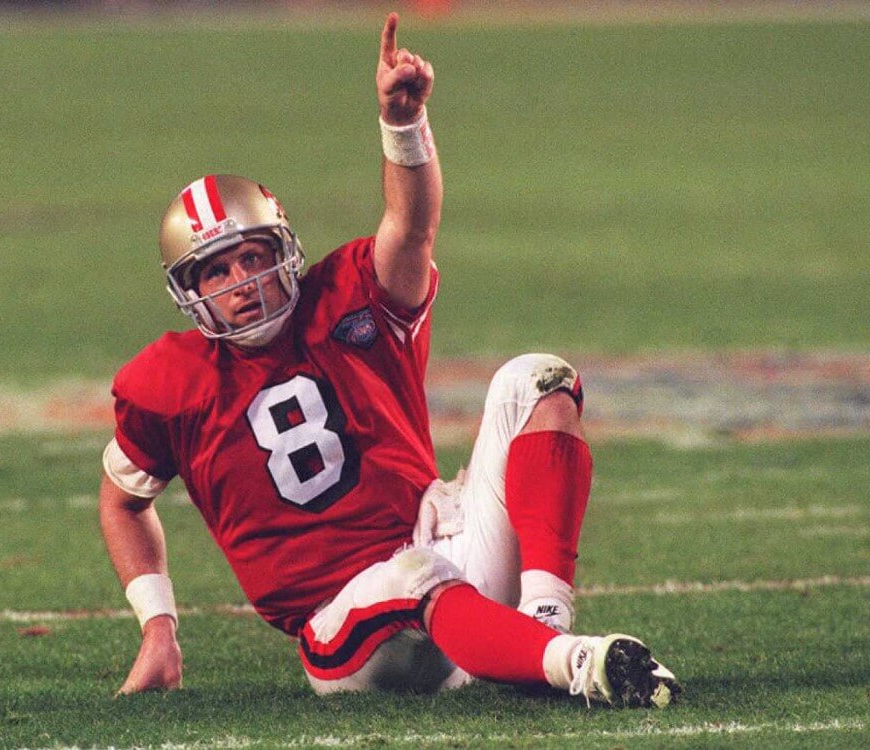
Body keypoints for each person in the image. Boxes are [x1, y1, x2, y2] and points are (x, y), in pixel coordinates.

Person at [98, 12, 679, 707]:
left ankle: (541, 624)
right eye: (218, 272)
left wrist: (403, 124)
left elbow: (412, 224)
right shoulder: (167, 382)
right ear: (189, 293)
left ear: (285, 252)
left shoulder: (346, 298)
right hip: (344, 630)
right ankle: (572, 666)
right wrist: (158, 630)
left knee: (538, 379)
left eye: (254, 256)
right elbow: (122, 502)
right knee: (409, 576)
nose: (244, 282)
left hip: (440, 550)